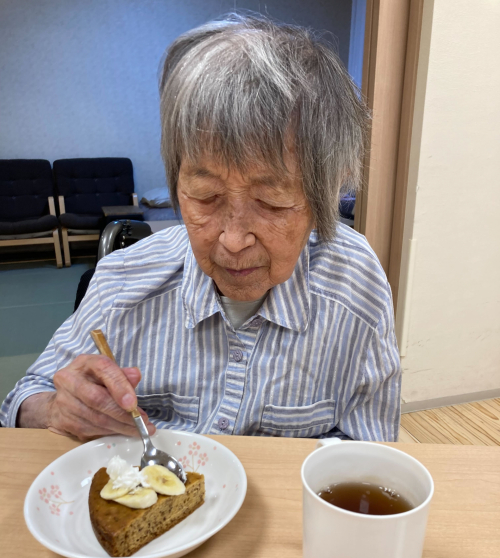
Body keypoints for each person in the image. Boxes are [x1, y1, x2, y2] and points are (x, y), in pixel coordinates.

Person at [0, 15, 401, 441]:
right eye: (205, 195)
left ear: (326, 197)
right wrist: (55, 409)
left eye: (272, 201)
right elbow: (23, 399)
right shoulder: (123, 280)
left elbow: (371, 446)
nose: (233, 240)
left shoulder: (355, 283)